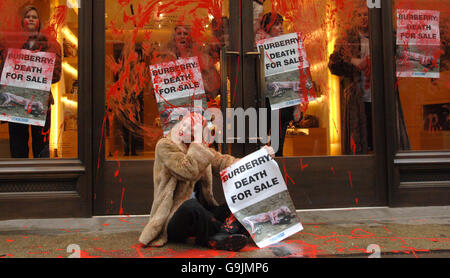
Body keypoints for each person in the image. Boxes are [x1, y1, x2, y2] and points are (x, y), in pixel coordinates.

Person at [139, 112, 275, 251]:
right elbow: (188, 170)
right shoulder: (165, 145)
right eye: (183, 124)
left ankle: (221, 235)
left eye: (190, 128)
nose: (182, 129)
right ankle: (227, 232)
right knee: (190, 207)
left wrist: (259, 157)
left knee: (235, 202)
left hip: (202, 214)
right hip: (172, 219)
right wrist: (198, 140)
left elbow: (225, 162)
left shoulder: (201, 148)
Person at [0, 6, 62, 158]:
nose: (31, 19)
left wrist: (43, 74)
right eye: (28, 16)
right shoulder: (11, 43)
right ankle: (20, 180)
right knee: (18, 145)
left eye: (34, 16)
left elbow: (57, 74)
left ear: (39, 21)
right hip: (17, 98)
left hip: (40, 99)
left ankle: (42, 180)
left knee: (41, 147)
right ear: (22, 21)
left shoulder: (50, 44)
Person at [256, 13, 303, 157]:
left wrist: (297, 106)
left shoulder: (287, 46)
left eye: (281, 23)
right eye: (276, 24)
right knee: (261, 144)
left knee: (278, 146)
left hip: (283, 102)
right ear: (266, 27)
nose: (281, 27)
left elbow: (294, 75)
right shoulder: (258, 47)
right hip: (265, 101)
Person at [328, 5, 373, 154]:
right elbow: (333, 64)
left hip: (378, 95)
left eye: (365, 15)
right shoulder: (347, 39)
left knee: (378, 136)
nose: (363, 18)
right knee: (358, 137)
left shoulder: (380, 35)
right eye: (359, 15)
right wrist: (352, 60)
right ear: (354, 18)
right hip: (356, 96)